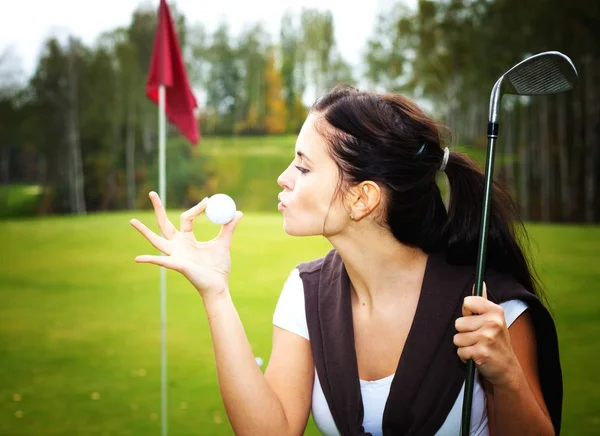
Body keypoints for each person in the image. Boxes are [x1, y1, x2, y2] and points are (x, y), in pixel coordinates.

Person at [130, 85, 561, 436]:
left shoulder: (488, 306)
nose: (283, 177)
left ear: (362, 198)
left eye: (302, 166)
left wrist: (506, 375)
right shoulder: (306, 292)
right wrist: (216, 293)